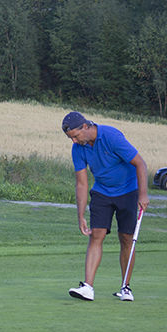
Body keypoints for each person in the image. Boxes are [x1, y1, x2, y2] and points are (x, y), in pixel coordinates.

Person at [63, 111, 149, 302]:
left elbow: (140, 164)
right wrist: (80, 215)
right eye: (71, 139)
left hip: (128, 191)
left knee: (126, 238)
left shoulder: (111, 136)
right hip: (102, 192)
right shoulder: (78, 148)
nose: (74, 142)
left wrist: (143, 194)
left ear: (85, 127)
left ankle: (125, 288)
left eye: (75, 136)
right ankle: (87, 287)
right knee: (96, 235)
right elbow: (82, 184)